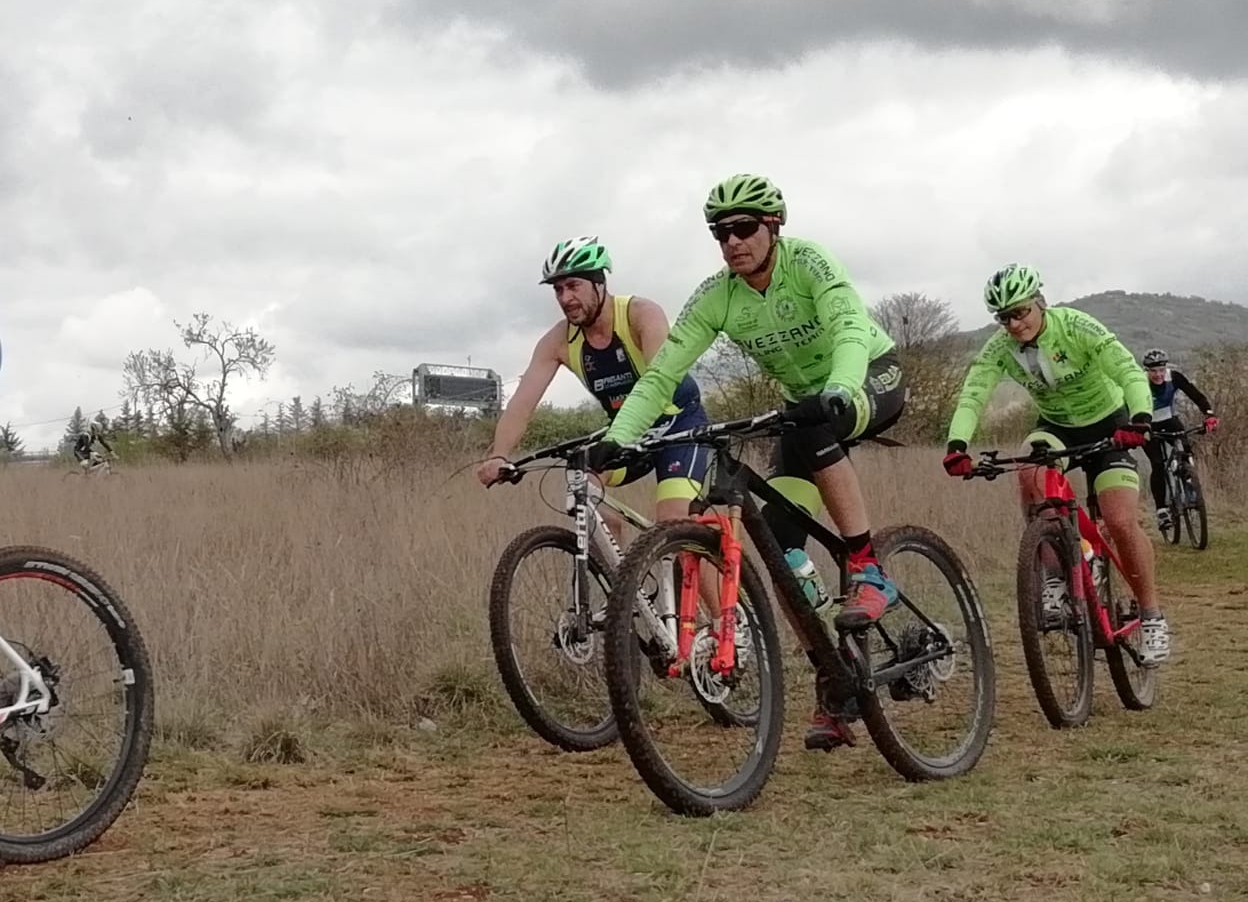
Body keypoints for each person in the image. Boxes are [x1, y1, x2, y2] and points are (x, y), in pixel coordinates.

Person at [587, 174, 906, 752]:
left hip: (867, 377)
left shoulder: (809, 263)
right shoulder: (718, 295)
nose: (733, 241)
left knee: (816, 428)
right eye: (721, 233)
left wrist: (840, 388)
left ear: (773, 227)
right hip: (801, 406)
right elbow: (662, 374)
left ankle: (868, 568)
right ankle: (835, 684)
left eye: (744, 228)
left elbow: (848, 329)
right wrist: (620, 436)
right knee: (783, 553)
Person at [941, 264, 1169, 665]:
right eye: (1004, 317)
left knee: (1119, 521)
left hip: (1110, 425)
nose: (1014, 324)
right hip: (1057, 427)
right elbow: (974, 393)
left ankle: (1151, 616)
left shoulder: (1075, 326)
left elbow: (1126, 369)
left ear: (1040, 302)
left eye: (1020, 312)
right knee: (1030, 469)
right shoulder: (999, 348)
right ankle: (1055, 575)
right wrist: (957, 444)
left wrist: (1140, 419)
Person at [476, 237, 712, 527]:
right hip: (626, 432)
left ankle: (695, 546)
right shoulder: (558, 340)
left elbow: (660, 383)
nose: (565, 298)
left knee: (674, 523)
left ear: (599, 283)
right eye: (558, 289)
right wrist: (500, 455)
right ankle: (615, 548)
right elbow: (522, 404)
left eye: (573, 286)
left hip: (678, 425)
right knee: (582, 490)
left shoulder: (641, 314)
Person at [1139, 348, 1218, 531]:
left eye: (1161, 370)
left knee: (1186, 453)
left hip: (1170, 421)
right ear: (1146, 370)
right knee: (1157, 464)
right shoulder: (1139, 382)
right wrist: (1137, 427)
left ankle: (1190, 488)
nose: (1158, 375)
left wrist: (1209, 414)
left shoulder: (1174, 377)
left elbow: (1195, 394)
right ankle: (1161, 510)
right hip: (1147, 425)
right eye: (1153, 371)